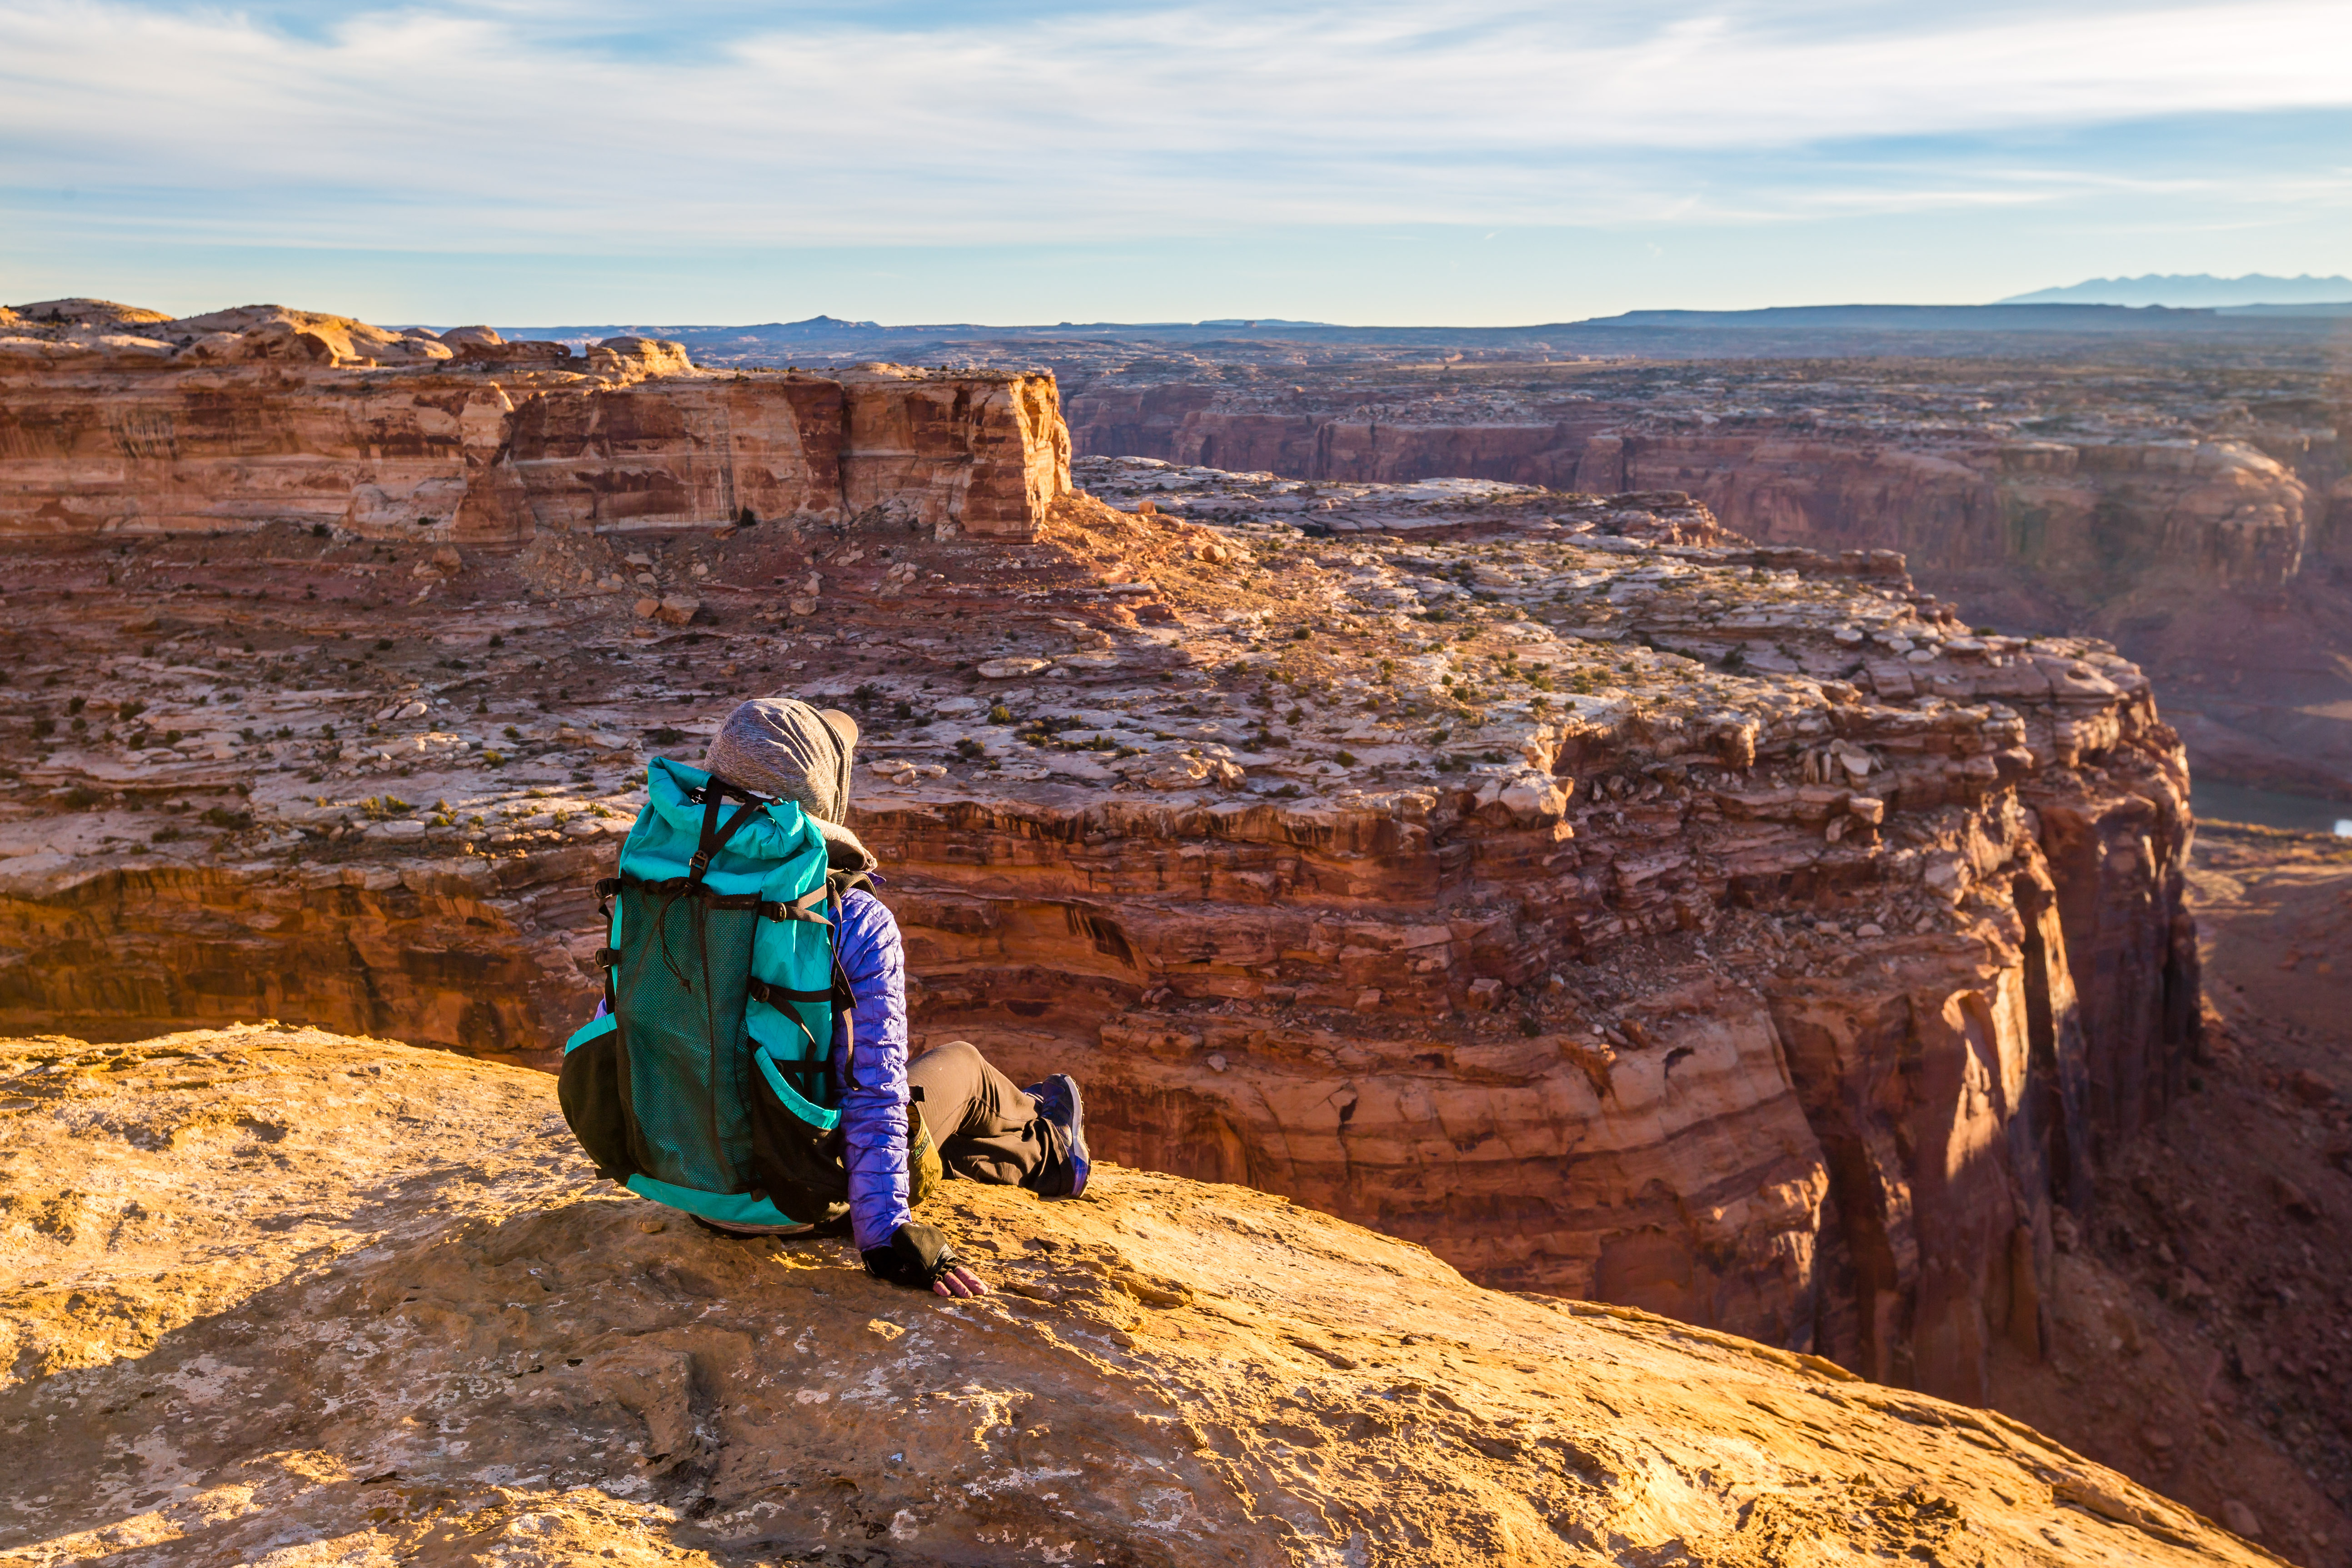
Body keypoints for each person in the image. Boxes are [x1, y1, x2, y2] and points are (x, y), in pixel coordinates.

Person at [684, 696, 1090, 1298]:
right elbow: (874, 1093)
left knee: (931, 1115)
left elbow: (627, 1027)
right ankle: (1058, 1149)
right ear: (823, 796)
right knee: (967, 1068)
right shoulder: (850, 917)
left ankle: (989, 1147)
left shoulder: (665, 887)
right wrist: (885, 1238)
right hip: (797, 1201)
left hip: (696, 1191)